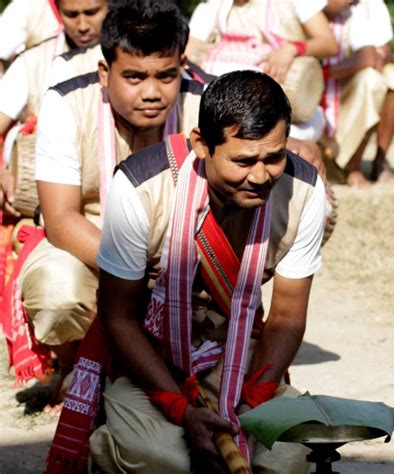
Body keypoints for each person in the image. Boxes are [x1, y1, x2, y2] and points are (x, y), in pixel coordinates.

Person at [80, 69, 327, 473]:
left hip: (240, 352)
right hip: (152, 356)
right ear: (201, 145)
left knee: (288, 459)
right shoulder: (141, 186)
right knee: (162, 461)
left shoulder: (304, 190)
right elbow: (118, 317)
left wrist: (253, 402)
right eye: (244, 160)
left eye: (274, 157)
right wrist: (180, 408)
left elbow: (286, 317)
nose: (262, 176)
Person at [14, 0, 203, 412]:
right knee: (56, 291)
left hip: (179, 250)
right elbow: (62, 219)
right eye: (134, 77)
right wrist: (135, 271)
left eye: (166, 76)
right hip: (86, 243)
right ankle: (73, 364)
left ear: (182, 64)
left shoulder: (205, 104)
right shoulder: (65, 104)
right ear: (105, 72)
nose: (152, 92)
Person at [0, 0, 108, 216]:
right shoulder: (32, 63)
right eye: (71, 14)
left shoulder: (136, 59)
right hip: (42, 212)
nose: (82, 24)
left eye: (91, 12)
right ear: (57, 11)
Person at [186, 0, 338, 144]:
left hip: (286, 106)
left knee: (284, 138)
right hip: (223, 107)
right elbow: (188, 52)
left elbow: (329, 44)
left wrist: (292, 49)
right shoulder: (214, 5)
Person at [322, 0, 394, 186]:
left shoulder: (370, 5)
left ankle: (369, 162)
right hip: (320, 75)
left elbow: (379, 55)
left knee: (384, 78)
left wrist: (333, 72)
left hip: (351, 79)